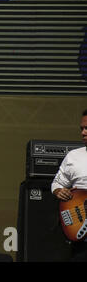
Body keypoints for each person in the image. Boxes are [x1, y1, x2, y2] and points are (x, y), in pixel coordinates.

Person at [51, 109, 87, 261]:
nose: (83, 133)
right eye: (82, 129)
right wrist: (58, 190)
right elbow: (57, 182)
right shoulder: (73, 156)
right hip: (81, 233)